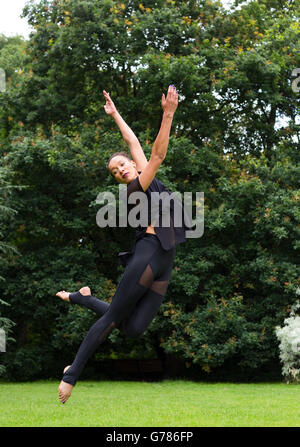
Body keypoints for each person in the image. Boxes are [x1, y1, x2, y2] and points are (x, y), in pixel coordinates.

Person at [56, 85, 190, 403]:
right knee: (113, 319)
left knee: (133, 329)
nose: (121, 170)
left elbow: (134, 144)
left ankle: (85, 298)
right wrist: (168, 114)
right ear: (120, 180)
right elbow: (158, 154)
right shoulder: (135, 189)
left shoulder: (144, 173)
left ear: (132, 163)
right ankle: (72, 374)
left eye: (122, 165)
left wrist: (115, 114)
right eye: (116, 173)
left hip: (164, 259)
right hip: (147, 254)